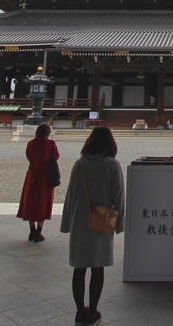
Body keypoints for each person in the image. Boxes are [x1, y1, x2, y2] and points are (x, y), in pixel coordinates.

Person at [60, 126, 124, 326]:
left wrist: (66, 223)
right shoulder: (112, 165)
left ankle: (80, 312)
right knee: (98, 267)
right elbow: (119, 197)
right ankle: (93, 310)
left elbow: (70, 195)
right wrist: (119, 224)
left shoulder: (79, 164)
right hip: (102, 221)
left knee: (79, 268)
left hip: (80, 220)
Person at [16, 123, 59, 242]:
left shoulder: (30, 143)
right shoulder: (51, 144)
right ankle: (39, 232)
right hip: (46, 177)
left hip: (32, 176)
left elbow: (28, 156)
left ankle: (32, 231)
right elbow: (56, 157)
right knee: (43, 203)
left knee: (31, 202)